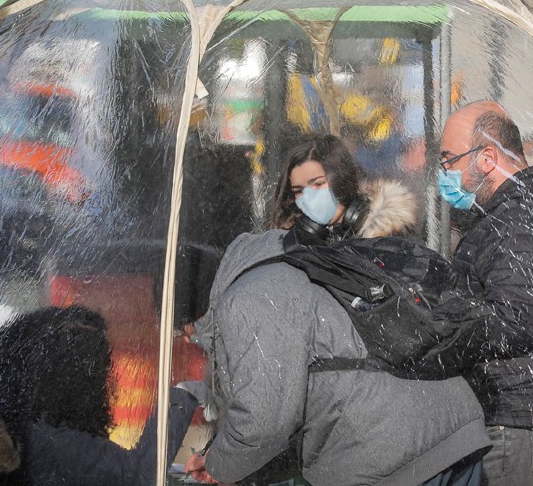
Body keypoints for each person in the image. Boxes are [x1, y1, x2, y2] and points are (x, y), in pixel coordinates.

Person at [188, 135, 491, 486]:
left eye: (317, 184)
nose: (308, 200)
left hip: (394, 450)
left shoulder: (260, 292)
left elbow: (265, 421)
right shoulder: (294, 269)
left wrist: (220, 466)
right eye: (298, 191)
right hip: (449, 427)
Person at [438, 101, 533, 486]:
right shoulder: (508, 212)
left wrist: (439, 324)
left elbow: (513, 321)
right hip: (509, 409)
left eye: (449, 160)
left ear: (487, 158)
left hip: (515, 415)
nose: (444, 173)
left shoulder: (522, 217)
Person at [0, 305, 204, 486]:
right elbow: (140, 475)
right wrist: (184, 394)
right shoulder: (54, 443)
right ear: (80, 379)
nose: (107, 382)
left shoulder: (32, 433)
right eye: (101, 371)